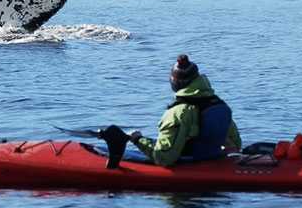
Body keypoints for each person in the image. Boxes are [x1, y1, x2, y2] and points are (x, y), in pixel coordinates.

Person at [101, 54, 242, 167]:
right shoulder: (219, 105)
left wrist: (137, 139)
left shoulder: (178, 113)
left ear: (175, 82)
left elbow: (164, 158)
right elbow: (236, 145)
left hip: (187, 165)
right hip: (211, 160)